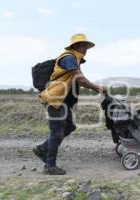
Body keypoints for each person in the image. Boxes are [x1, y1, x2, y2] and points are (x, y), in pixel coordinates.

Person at [33, 33, 107, 175]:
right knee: (57, 132)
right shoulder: (69, 58)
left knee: (70, 127)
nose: (85, 49)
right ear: (76, 46)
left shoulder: (74, 59)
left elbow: (79, 80)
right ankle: (50, 166)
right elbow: (81, 80)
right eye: (83, 45)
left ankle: (43, 149)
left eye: (86, 46)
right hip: (54, 99)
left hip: (62, 100)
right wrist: (98, 88)